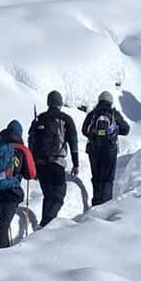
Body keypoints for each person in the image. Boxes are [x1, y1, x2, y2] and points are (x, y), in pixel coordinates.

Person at [0, 119, 36, 249]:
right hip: (11, 191)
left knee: (3, 220)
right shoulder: (21, 150)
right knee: (4, 224)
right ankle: (1, 253)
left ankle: (3, 248)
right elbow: (30, 174)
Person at [28, 91, 79, 227]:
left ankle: (44, 223)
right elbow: (73, 141)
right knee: (58, 196)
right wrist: (76, 163)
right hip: (56, 162)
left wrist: (32, 165)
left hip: (39, 163)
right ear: (60, 103)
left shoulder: (39, 119)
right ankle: (47, 224)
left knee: (48, 195)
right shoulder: (65, 119)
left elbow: (31, 142)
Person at [81, 91, 130, 204]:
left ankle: (96, 201)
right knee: (107, 178)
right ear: (111, 101)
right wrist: (115, 130)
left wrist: (94, 135)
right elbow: (126, 130)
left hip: (94, 149)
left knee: (96, 176)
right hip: (110, 149)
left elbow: (84, 130)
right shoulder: (114, 114)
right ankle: (106, 203)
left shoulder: (93, 114)